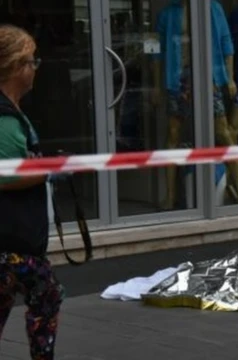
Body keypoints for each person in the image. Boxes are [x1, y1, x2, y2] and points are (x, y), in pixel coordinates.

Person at [0, 24, 65, 359]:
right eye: (31, 62)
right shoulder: (5, 119)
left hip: (14, 242)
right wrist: (47, 171)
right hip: (13, 244)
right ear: (14, 67)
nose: (35, 69)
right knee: (47, 297)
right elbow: (6, 175)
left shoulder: (10, 112)